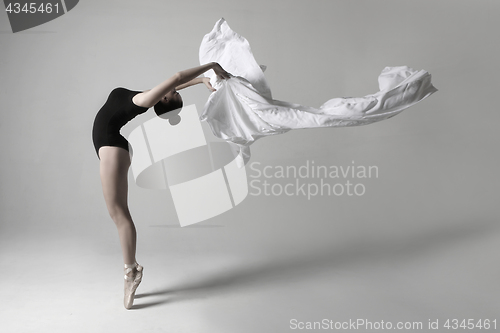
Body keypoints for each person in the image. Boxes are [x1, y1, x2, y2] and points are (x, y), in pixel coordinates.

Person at [92, 62, 232, 309]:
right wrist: (200, 81)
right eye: (176, 92)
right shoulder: (147, 96)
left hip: (112, 147)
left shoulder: (145, 101)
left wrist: (211, 66)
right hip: (111, 146)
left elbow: (176, 78)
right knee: (117, 213)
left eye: (174, 94)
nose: (175, 90)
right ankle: (130, 268)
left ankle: (130, 271)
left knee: (119, 214)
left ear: (164, 100)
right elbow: (176, 83)